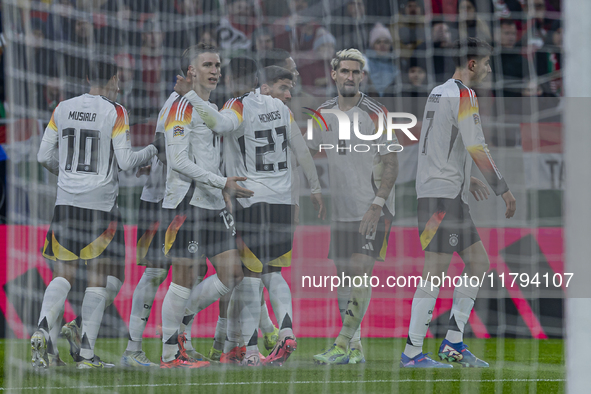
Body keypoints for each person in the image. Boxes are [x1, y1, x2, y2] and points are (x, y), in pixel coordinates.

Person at [174, 57, 324, 367]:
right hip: (283, 202)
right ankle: (286, 331)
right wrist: (316, 188)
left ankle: (251, 351)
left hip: (251, 200)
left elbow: (220, 124)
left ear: (230, 81)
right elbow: (301, 151)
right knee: (275, 272)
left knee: (248, 277)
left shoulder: (237, 105)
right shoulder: (280, 107)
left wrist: (189, 94)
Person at [33, 56, 162, 369]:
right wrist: (155, 148)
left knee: (64, 274)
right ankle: (87, 356)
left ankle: (42, 333)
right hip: (100, 206)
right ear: (114, 80)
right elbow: (128, 161)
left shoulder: (62, 108)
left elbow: (42, 156)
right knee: (98, 280)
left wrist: (65, 174)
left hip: (65, 203)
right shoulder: (114, 111)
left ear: (87, 77)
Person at [400, 38, 516, 368]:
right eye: (487, 63)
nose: (490, 69)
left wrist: (468, 179)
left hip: (444, 192)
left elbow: (439, 145)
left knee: (478, 263)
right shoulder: (464, 94)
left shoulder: (438, 92)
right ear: (473, 64)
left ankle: (453, 342)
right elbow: (477, 146)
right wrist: (502, 189)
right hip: (442, 197)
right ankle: (412, 352)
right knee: (434, 273)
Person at [158, 44, 253, 368]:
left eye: (218, 65)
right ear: (191, 71)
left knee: (232, 274)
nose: (216, 70)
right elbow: (179, 160)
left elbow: (213, 149)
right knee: (183, 278)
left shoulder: (209, 107)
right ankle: (170, 352)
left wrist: (220, 185)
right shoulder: (180, 107)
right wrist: (221, 182)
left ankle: (179, 326)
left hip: (213, 201)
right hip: (187, 202)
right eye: (208, 64)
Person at [306, 49, 399, 365]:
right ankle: (356, 347)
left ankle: (341, 343)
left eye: (356, 72)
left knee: (359, 272)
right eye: (344, 71)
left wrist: (377, 205)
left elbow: (391, 163)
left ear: (363, 76)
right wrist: (315, 189)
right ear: (334, 74)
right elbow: (309, 151)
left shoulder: (376, 112)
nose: (350, 76)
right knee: (344, 278)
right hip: (341, 210)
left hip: (371, 208)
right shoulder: (323, 112)